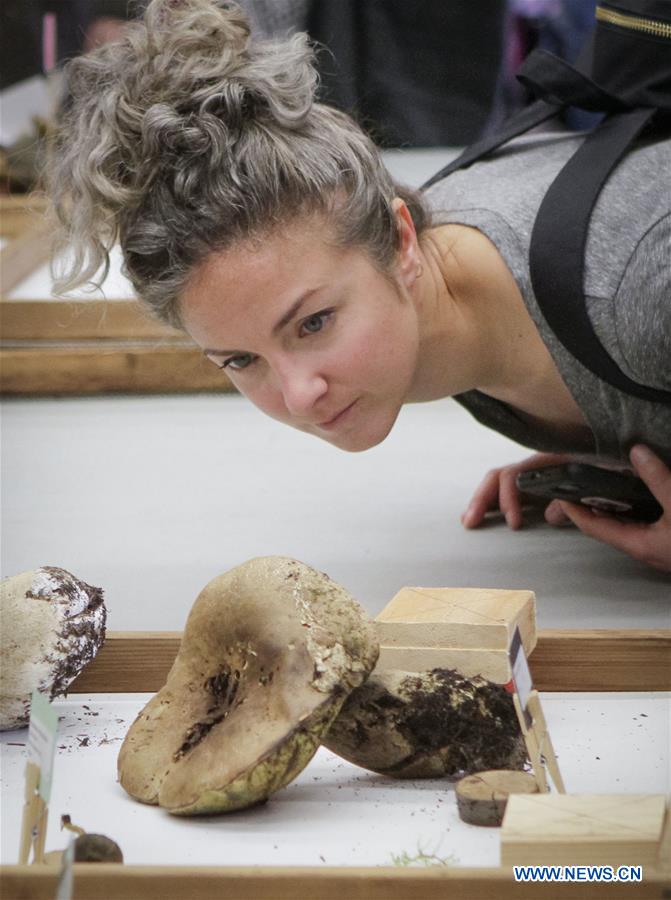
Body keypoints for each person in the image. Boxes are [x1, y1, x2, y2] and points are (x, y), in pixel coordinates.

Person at [48, 0, 671, 572]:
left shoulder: (638, 297)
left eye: (313, 323)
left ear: (401, 239)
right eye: (240, 359)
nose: (299, 396)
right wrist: (605, 443)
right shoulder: (434, 298)